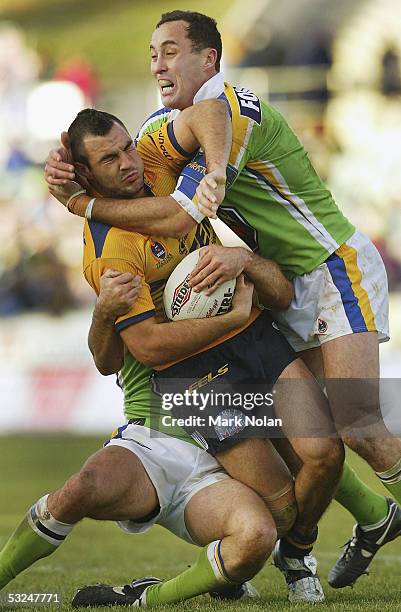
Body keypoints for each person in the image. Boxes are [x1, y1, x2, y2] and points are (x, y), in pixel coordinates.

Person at [45, 10, 401, 591]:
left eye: (170, 51)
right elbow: (134, 152)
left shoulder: (226, 110)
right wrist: (68, 176)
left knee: (358, 423)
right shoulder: (168, 125)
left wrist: (84, 205)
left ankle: (298, 550)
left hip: (330, 266)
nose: (158, 63)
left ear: (208, 60)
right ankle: (356, 525)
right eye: (152, 53)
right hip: (282, 281)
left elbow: (180, 205)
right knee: (306, 438)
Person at [44, 108, 346, 604]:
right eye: (109, 159)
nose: (127, 163)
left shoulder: (155, 161)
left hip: (252, 336)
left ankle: (295, 553)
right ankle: (235, 563)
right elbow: (141, 348)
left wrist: (243, 261)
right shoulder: (110, 250)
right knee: (282, 506)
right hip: (192, 373)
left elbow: (211, 111)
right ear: (86, 173)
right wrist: (82, 204)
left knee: (327, 453)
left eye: (125, 147)